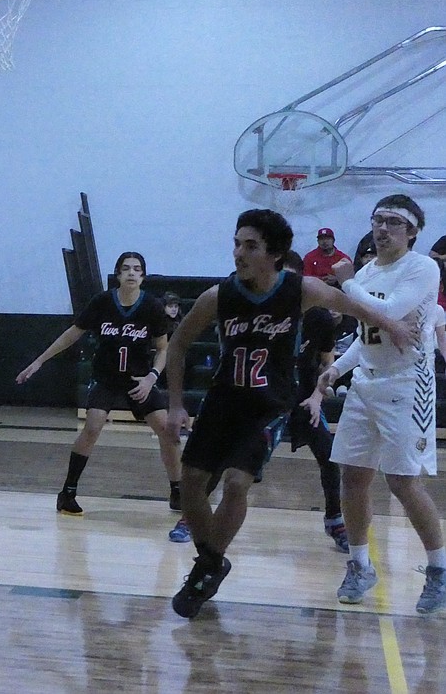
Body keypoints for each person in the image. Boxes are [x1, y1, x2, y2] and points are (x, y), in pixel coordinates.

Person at [164, 209, 411, 619]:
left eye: (250, 246)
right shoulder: (218, 296)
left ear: (274, 254)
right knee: (189, 484)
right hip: (223, 400)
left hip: (268, 405)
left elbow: (353, 306)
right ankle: (212, 562)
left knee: (237, 483)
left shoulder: (300, 290)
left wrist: (394, 326)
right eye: (237, 243)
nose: (238, 253)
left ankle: (205, 569)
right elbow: (177, 346)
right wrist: (175, 404)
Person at [312, 194, 446, 615]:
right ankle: (360, 564)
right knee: (352, 477)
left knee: (404, 483)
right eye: (377, 220)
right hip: (366, 384)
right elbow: (367, 335)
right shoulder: (368, 271)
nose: (382, 228)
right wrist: (338, 370)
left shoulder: (423, 268)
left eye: (393, 222)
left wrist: (348, 283)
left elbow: (389, 310)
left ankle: (440, 569)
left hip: (407, 386)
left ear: (412, 231)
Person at [16, 252, 182, 515]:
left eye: (136, 269)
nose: (131, 273)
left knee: (167, 431)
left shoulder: (151, 307)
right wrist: (39, 362)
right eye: (125, 268)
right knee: (92, 426)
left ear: (143, 276)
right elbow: (72, 334)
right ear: (117, 274)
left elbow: (163, 348)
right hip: (106, 377)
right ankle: (68, 492)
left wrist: (152, 377)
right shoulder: (102, 302)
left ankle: (177, 490)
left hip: (139, 379)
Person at [277, 251, 349, 553]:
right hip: (265, 399)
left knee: (330, 457)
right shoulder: (263, 314)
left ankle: (335, 519)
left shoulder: (318, 316)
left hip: (304, 398)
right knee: (230, 463)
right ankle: (192, 519)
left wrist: (318, 396)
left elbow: (326, 362)